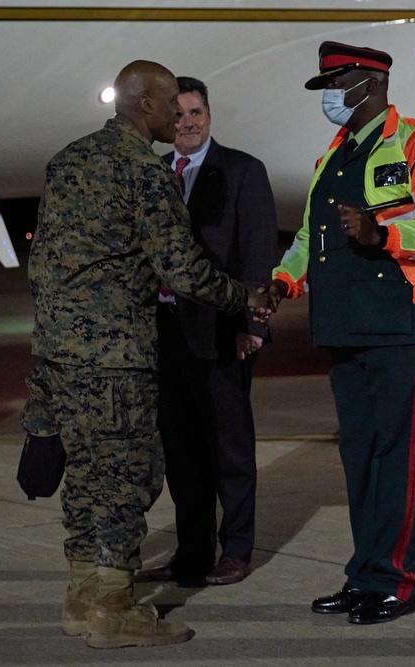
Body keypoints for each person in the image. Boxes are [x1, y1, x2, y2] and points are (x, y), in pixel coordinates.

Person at [22, 59, 271, 650]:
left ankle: (82, 597)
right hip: (114, 355)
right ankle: (113, 609)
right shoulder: (142, 170)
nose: (174, 115)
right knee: (124, 480)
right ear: (148, 107)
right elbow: (182, 268)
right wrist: (243, 296)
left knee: (84, 479)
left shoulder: (69, 160)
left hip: (60, 351)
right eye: (168, 104)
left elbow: (45, 262)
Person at [267, 41, 415, 624]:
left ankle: (395, 579)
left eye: (334, 86)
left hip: (401, 327)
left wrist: (383, 236)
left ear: (368, 83)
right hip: (345, 330)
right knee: (362, 459)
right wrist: (282, 281)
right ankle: (365, 573)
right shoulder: (334, 156)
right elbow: (308, 237)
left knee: (400, 458)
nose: (329, 99)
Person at [136, 76, 278, 587]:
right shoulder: (153, 173)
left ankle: (236, 549)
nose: (187, 123)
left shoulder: (242, 170)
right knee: (182, 450)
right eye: (178, 116)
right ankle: (191, 553)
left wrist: (253, 326)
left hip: (222, 330)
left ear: (209, 115)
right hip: (165, 332)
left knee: (231, 448)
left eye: (195, 113)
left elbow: (258, 253)